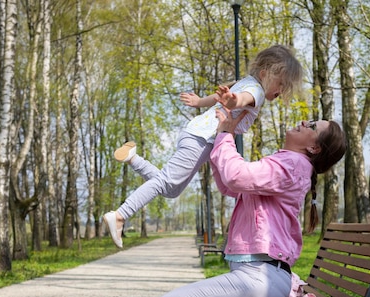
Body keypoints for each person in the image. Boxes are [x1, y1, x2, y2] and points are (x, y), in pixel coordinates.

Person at [153, 106, 347, 297]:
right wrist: (220, 138)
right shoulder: (288, 163)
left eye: (310, 124)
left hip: (261, 276)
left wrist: (227, 134)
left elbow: (236, 173)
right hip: (261, 275)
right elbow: (231, 184)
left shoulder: (293, 164)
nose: (301, 121)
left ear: (314, 146)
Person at [102, 45, 304, 248]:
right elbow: (241, 99)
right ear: (265, 74)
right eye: (281, 84)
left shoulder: (245, 82)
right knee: (166, 182)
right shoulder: (256, 91)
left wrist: (199, 102)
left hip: (197, 135)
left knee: (171, 189)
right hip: (202, 138)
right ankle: (120, 215)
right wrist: (233, 102)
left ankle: (133, 157)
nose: (282, 90)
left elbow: (218, 98)